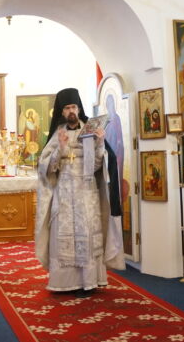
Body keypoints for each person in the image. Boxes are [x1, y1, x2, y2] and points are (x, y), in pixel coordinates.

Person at [35, 88, 125, 298]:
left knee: (87, 236)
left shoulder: (90, 131)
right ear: (62, 111)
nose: (71, 111)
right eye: (67, 108)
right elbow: (46, 168)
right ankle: (64, 282)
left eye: (74, 107)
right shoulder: (58, 134)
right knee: (63, 237)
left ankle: (89, 282)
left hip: (86, 194)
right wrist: (60, 148)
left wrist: (100, 142)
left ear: (79, 108)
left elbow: (97, 166)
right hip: (64, 195)